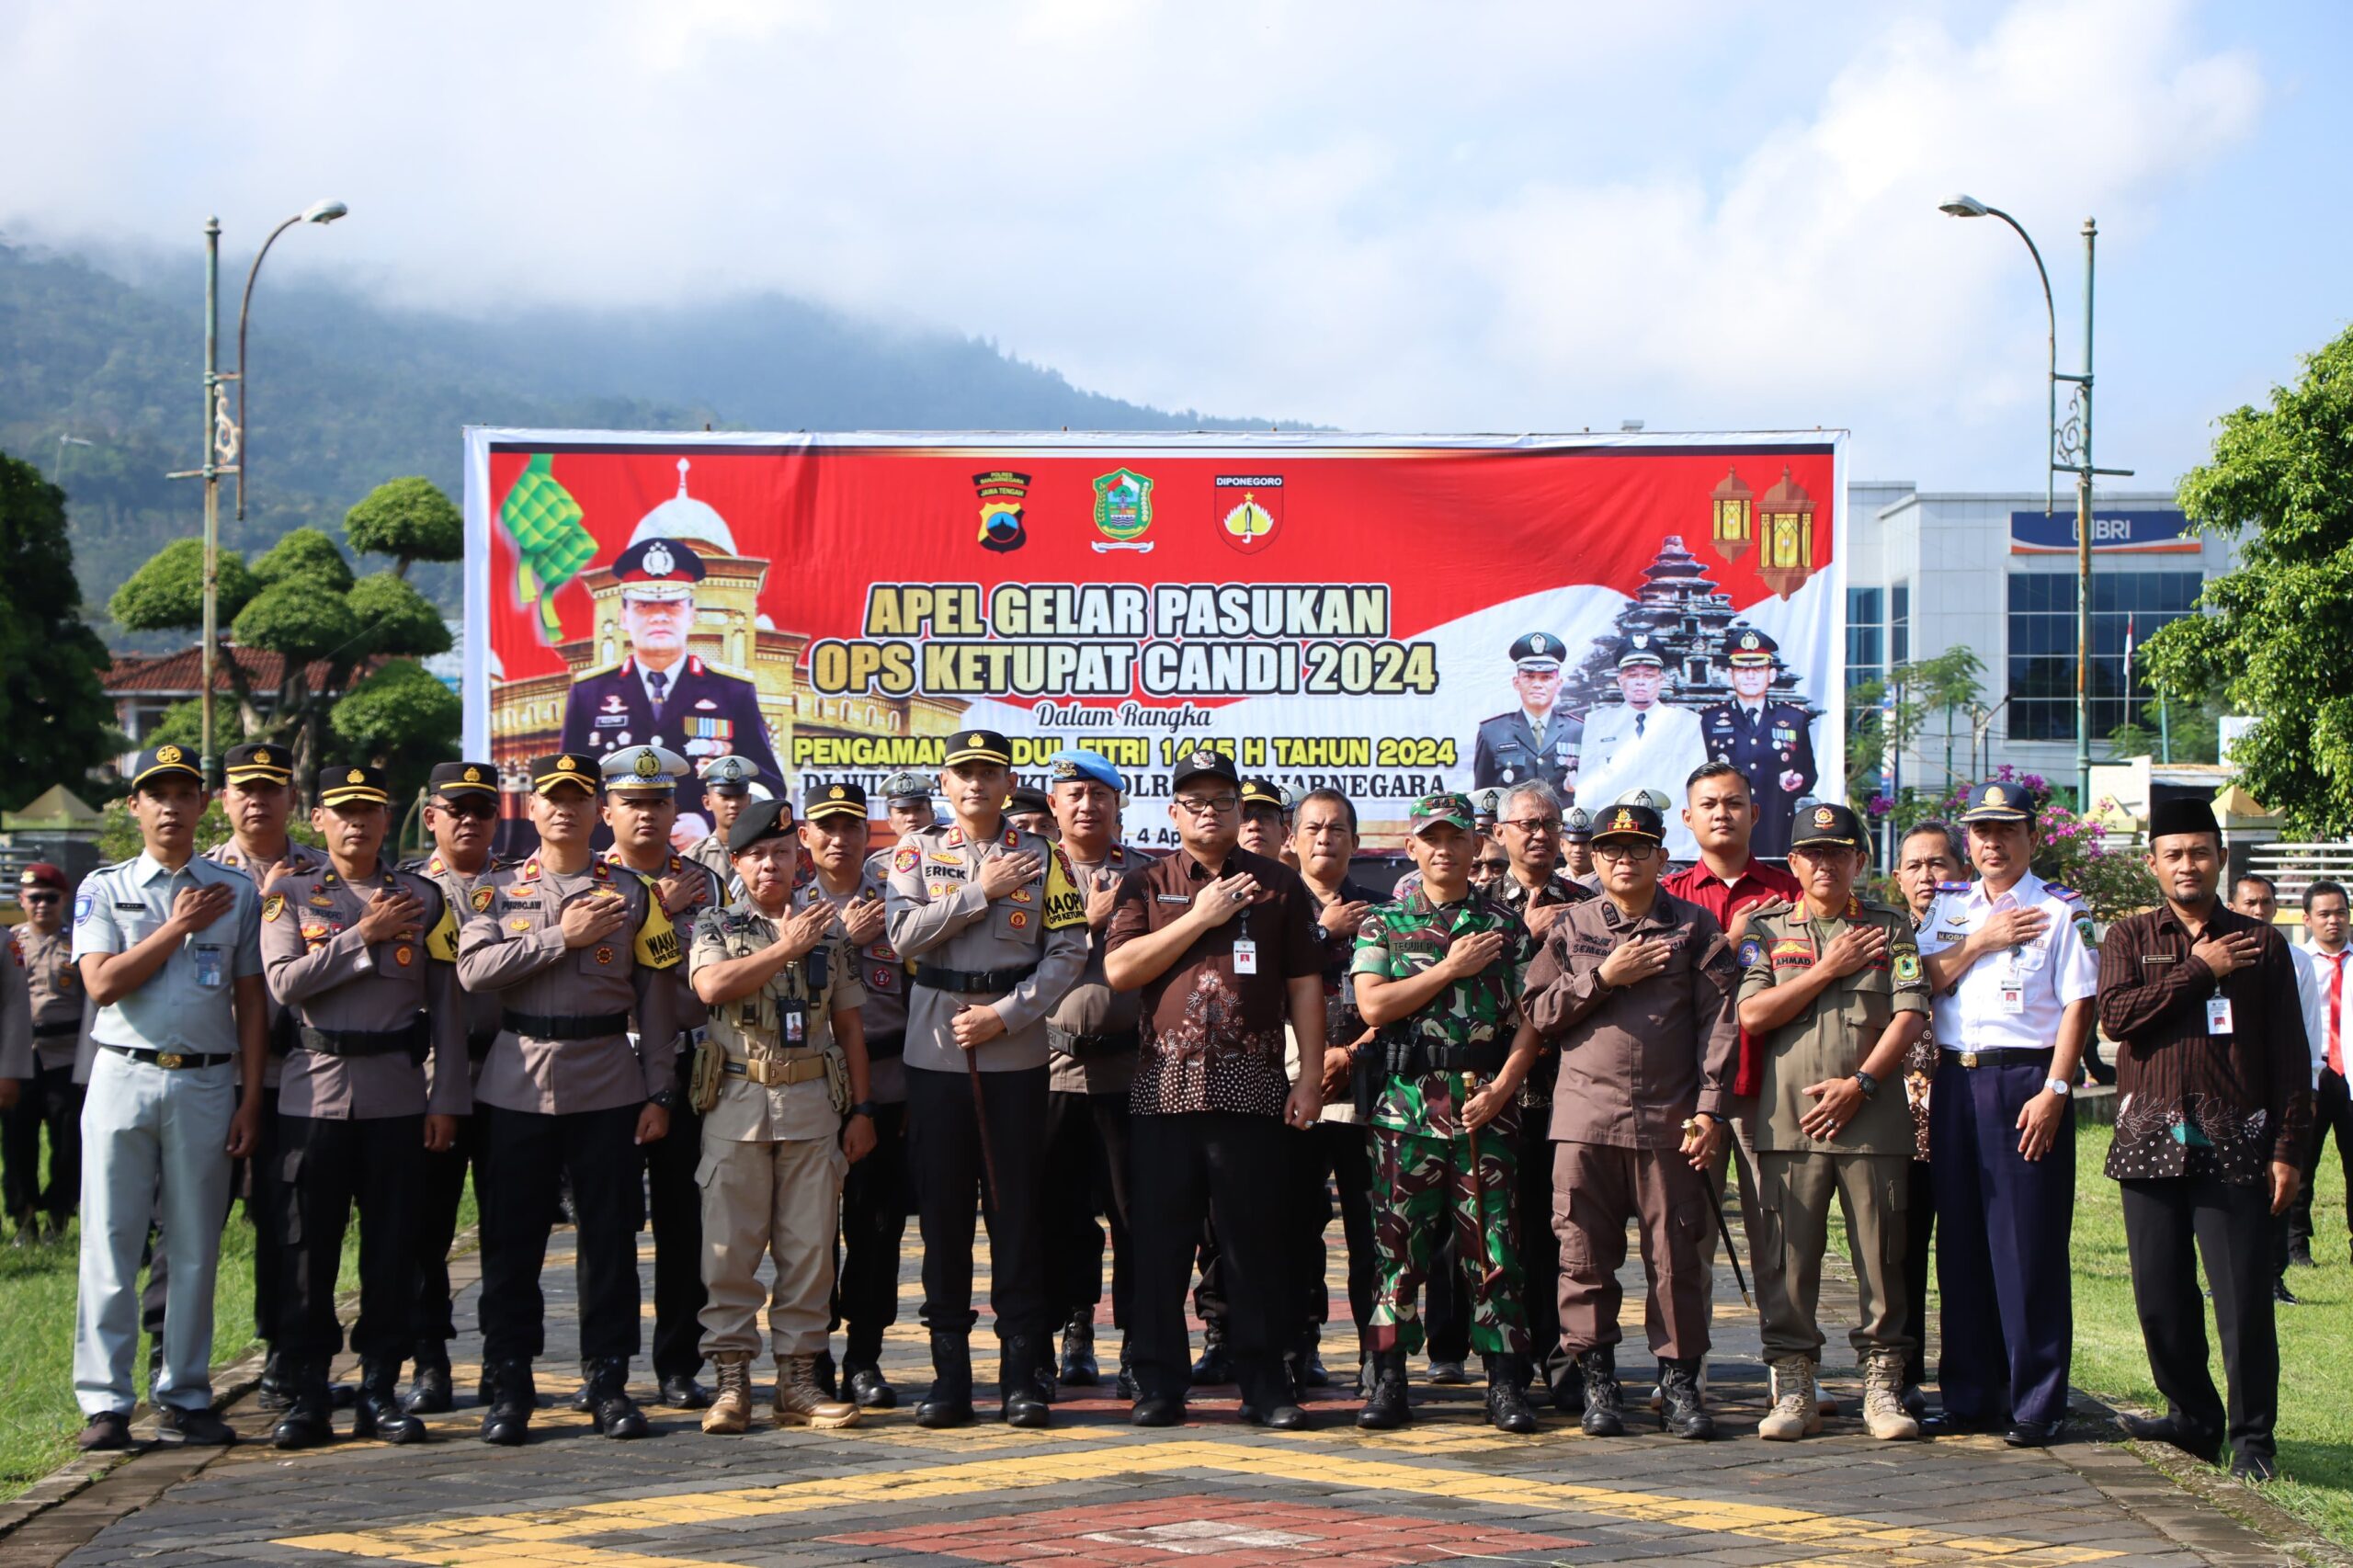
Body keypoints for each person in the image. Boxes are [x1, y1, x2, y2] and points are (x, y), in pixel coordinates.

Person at [454, 752, 683, 1446]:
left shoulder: (635, 894)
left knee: (609, 1239)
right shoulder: (496, 890)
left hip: (609, 1078)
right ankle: (510, 1381)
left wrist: (659, 1089)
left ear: (596, 811)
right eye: (551, 797)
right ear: (533, 808)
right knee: (510, 1241)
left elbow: (659, 998)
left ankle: (608, 1381)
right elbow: (474, 972)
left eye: (578, 798)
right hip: (516, 1080)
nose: (563, 809)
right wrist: (563, 936)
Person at [1105, 748, 1325, 1431]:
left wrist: (1310, 1076)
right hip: (1164, 1090)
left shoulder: (1279, 885)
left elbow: (1304, 987)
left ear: (1242, 812)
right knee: (1159, 1246)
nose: (1210, 814)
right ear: (1173, 813)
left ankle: (1264, 1383)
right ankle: (1160, 1385)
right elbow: (1119, 970)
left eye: (1223, 803)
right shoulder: (1146, 883)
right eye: (1195, 804)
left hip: (1252, 1087)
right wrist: (1198, 916)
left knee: (1252, 1243)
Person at [2098, 799, 2311, 1483]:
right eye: (2174, 854)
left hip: (2236, 1144)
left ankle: (2254, 1441)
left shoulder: (2263, 943)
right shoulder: (2129, 938)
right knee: (2160, 1296)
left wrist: (2289, 1150)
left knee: (2243, 1299)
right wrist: (2200, 969)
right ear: (2152, 863)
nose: (2187, 865)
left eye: (2199, 852)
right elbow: (2119, 1018)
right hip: (2148, 1139)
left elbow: (2289, 1055)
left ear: (2221, 857)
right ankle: (2192, 1417)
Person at [884, 729, 1090, 1429]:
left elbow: (1066, 951)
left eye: (988, 774)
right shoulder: (917, 852)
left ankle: (1021, 1373)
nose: (975, 785)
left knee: (1017, 1213)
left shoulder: (1043, 858)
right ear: (945, 784)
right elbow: (903, 938)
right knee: (943, 1215)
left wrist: (1007, 1015)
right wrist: (978, 892)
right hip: (936, 1051)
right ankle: (949, 1379)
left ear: (1007, 785)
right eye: (962, 774)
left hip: (1015, 1053)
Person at [260, 765, 469, 1449]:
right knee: (306, 1252)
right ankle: (308, 1391)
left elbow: (444, 1005)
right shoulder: (289, 895)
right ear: (318, 818)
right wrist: (363, 936)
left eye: (369, 811)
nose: (356, 823)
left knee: (393, 1250)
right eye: (342, 811)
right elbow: (287, 983)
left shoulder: (423, 897)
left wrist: (447, 1096)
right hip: (313, 1095)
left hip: (396, 1095)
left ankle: (381, 1385)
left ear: (389, 819)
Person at [71, 744, 267, 1451]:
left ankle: (184, 1392)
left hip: (207, 1080)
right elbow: (102, 984)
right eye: (157, 794)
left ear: (202, 804)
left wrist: (249, 1098)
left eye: (185, 794)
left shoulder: (235, 891)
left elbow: (251, 1000)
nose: (171, 807)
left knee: (193, 1247)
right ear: (135, 805)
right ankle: (106, 1401)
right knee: (112, 1242)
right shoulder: (105, 886)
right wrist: (176, 927)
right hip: (123, 1073)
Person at [1523, 802, 1736, 1439]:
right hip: (1585, 1120)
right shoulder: (1572, 926)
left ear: (1661, 859)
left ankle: (1679, 1385)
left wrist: (1708, 1109)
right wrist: (1602, 977)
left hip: (1668, 1122)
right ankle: (1599, 1382)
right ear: (1594, 855)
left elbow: (1719, 1028)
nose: (1623, 859)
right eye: (1612, 847)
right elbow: (1536, 1011)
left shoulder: (1696, 930)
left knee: (1676, 1259)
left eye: (1637, 848)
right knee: (1583, 1257)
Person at [1349, 794, 1545, 1435]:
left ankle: (1506, 1382)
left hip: (1485, 1110)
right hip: (1407, 1112)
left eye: (1455, 838)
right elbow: (1374, 1008)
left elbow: (1531, 1023)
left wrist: (1506, 1087)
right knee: (1395, 1252)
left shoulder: (1506, 927)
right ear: (1412, 849)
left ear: (1474, 845)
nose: (1443, 849)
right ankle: (1387, 1378)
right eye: (1430, 838)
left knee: (1493, 1249)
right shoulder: (1384, 924)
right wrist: (1451, 968)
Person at [1735, 803, 1928, 1442]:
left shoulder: (1891, 927)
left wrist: (1861, 1083)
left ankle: (1882, 1385)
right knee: (1787, 1260)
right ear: (1792, 863)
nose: (1826, 863)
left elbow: (1909, 1014)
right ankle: (1792, 1385)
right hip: (1790, 1124)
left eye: (1838, 852)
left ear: (1860, 861)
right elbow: (1754, 1015)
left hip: (1873, 1120)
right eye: (1812, 853)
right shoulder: (1767, 929)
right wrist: (1826, 969)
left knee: (1884, 1257)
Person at [1914, 779, 2097, 1448]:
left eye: (2006, 830)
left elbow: (2080, 1003)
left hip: (2024, 1079)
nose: (1992, 842)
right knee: (1959, 1243)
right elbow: (1926, 979)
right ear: (1969, 841)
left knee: (2027, 1246)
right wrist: (1983, 940)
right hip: (1955, 1080)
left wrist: (2057, 1088)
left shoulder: (2062, 910)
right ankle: (1969, 1396)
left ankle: (2037, 1402)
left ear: (2031, 837)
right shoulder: (1951, 907)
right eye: (1981, 832)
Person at [688, 795, 870, 1434]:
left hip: (813, 1105)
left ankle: (798, 1378)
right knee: (728, 1252)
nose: (772, 865)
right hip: (736, 1105)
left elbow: (849, 1026)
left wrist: (862, 1109)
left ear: (802, 859)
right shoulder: (715, 924)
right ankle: (731, 1380)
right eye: (759, 855)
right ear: (737, 862)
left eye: (783, 854)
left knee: (810, 1251)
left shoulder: (832, 928)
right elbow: (711, 988)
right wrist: (786, 947)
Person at [1659, 761, 1813, 1414]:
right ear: (1688, 819)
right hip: (1688, 1096)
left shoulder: (1791, 890)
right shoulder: (1664, 893)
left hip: (1766, 1090)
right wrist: (1730, 942)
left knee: (1780, 1238)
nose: (1722, 813)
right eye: (1708, 805)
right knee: (1684, 1239)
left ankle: (1793, 1373)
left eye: (1735, 803)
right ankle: (1684, 1373)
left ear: (1756, 813)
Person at [199, 742, 328, 1409]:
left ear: (292, 800)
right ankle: (178, 1372)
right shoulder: (197, 877)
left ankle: (286, 1361)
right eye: (244, 789)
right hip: (210, 1076)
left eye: (270, 789)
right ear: (223, 798)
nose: (257, 800)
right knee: (193, 1226)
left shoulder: (326, 874)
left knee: (290, 1224)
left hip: (295, 1074)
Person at [599, 744, 722, 1411]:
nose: (646, 814)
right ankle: (609, 1369)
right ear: (607, 811)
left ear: (675, 809)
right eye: (632, 803)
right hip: (610, 1063)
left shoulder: (708, 883)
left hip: (690, 1059)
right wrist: (651, 911)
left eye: (657, 803)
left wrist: (669, 914)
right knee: (611, 1224)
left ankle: (679, 1363)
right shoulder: (589, 883)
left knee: (686, 1226)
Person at [1037, 751, 1151, 1397]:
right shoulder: (1028, 872)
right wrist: (1087, 921)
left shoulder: (1147, 874)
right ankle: (1068, 1336)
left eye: (1100, 794)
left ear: (1118, 804)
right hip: (1050, 1071)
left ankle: (1139, 1345)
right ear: (1054, 805)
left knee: (1135, 1217)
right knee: (1058, 1217)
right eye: (1073, 793)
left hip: (1129, 1071)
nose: (1087, 805)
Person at [399, 760, 509, 1414]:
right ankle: (429, 1359)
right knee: (425, 1230)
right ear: (431, 816)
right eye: (456, 809)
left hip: (508, 1071)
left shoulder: (521, 886)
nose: (469, 820)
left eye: (481, 809)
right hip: (434, 1074)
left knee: (507, 1227)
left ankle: (502, 1360)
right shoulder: (406, 892)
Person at [802, 782, 912, 1410]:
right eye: (828, 827)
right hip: (812, 1081)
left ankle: (864, 1357)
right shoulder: (784, 903)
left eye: (851, 827)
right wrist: (840, 935)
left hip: (890, 1082)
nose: (840, 839)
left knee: (877, 1228)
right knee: (808, 1231)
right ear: (806, 837)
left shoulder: (899, 900)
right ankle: (810, 1355)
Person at [559, 538, 783, 837]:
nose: (659, 615)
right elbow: (568, 784)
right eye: (644, 605)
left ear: (692, 614)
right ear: (624, 617)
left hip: (703, 860)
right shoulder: (589, 694)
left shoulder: (732, 693)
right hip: (611, 863)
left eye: (673, 604)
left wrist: (714, 826)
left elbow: (767, 784)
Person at [1285, 788, 1382, 1394]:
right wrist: (1320, 930)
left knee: (1373, 1235)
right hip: (1292, 1091)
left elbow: (1408, 995)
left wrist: (1352, 1052)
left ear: (1354, 840)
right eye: (1313, 828)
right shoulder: (1270, 907)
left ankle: (1380, 1356)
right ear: (1292, 839)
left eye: (1337, 829)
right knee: (1294, 1230)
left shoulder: (1383, 910)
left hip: (1369, 1092)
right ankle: (1299, 1348)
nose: (1325, 838)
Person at [1891, 820, 1967, 1413]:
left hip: (1967, 1111)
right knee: (1902, 1251)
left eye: (1938, 863)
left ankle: (1971, 1374)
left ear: (1960, 870)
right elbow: (1917, 985)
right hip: (1902, 1119)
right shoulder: (1889, 934)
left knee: (1967, 1253)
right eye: (1914, 866)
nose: (1927, 876)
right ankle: (1904, 1373)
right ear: (1896, 878)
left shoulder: (1983, 920)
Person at [2228, 872, 2317, 1305]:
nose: (2259, 911)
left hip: (2278, 1088)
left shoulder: (2295, 960)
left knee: (2280, 1178)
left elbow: (2308, 1035)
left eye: (2265, 903)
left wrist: (2308, 1090)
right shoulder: (2217, 954)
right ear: (2233, 905)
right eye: (2250, 903)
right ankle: (2225, 1274)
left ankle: (2275, 1276)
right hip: (2231, 1090)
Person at [1573, 635, 1707, 861]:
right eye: (1633, 675)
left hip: (1674, 844)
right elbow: (1586, 790)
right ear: (1620, 679)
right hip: (1614, 841)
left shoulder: (1686, 722)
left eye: (1649, 675)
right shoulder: (1599, 723)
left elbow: (1698, 789)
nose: (1640, 681)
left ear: (1661, 679)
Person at [6, 864, 82, 1244]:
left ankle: (59, 1212)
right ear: (21, 900)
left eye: (50, 898)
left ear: (63, 900)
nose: (41, 905)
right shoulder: (10, 944)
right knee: (18, 1141)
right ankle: (24, 1217)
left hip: (66, 1055)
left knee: (70, 1141)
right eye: (33, 898)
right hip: (21, 1055)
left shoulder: (79, 943)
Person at [1699, 628, 1817, 860]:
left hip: (1776, 826)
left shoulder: (1794, 719)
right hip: (1724, 825)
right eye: (1742, 669)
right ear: (1730, 675)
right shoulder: (1709, 720)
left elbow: (1809, 772)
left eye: (1758, 669)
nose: (1750, 676)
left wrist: (1799, 780)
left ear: (1771, 674)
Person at [2291, 881, 2350, 1270]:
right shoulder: (2297, 962)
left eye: (2341, 912)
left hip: (2350, 1075)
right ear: (2307, 919)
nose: (2334, 921)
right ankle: (2296, 1245)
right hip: (2313, 1071)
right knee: (2301, 1161)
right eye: (2325, 914)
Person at [1472, 632, 1581, 793]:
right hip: (1511, 819)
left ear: (1559, 684)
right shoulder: (1492, 732)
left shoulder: (1578, 731)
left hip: (1563, 818)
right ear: (1516, 682)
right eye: (1529, 676)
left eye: (1546, 677)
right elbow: (1482, 797)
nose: (1537, 684)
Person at [684, 755, 763, 892]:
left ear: (749, 800)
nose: (733, 804)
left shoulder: (768, 854)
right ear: (707, 802)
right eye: (725, 797)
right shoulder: (692, 859)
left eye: (739, 796)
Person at [881, 771, 938, 843]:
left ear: (932, 816)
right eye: (902, 811)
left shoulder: (950, 854)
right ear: (891, 822)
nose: (912, 818)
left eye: (919, 810)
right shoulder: (885, 854)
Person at [1238, 778, 1288, 859]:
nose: (1254, 825)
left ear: (1283, 834)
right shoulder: (1213, 872)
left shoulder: (1290, 873)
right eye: (1244, 817)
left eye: (1266, 817)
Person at [1561, 806, 1597, 884]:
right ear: (1561, 845)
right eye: (1572, 843)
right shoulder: (1551, 881)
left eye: (1585, 843)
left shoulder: (1608, 882)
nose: (1578, 849)